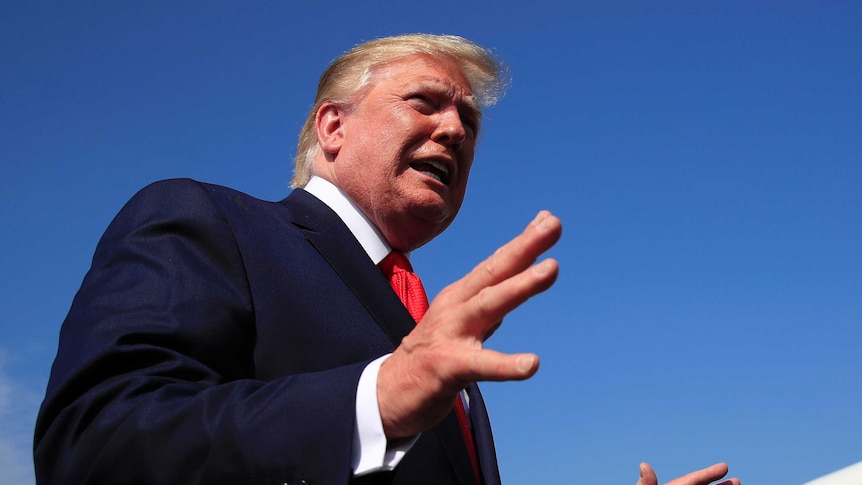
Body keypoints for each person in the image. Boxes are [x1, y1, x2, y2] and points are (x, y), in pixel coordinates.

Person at [34, 34, 739, 485]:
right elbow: (94, 443)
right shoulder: (208, 221)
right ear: (332, 126)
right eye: (426, 102)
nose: (456, 129)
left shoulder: (438, 343)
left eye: (470, 121)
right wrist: (372, 401)